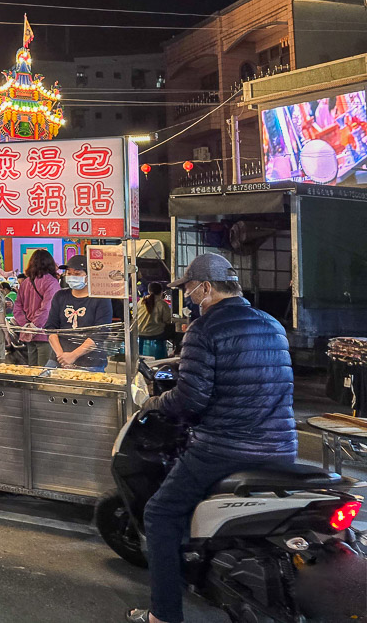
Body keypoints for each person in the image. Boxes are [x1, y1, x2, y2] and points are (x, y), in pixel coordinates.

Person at [127, 254, 297, 623]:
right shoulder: (272, 324)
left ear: (206, 286)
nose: (187, 297)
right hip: (283, 448)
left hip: (226, 449)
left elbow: (191, 398)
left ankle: (164, 614)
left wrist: (156, 402)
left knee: (160, 513)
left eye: (188, 289)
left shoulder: (204, 329)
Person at [44, 255, 114, 372]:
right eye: (69, 273)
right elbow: (51, 327)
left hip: (90, 363)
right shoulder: (60, 296)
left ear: (88, 276)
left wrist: (73, 355)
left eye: (77, 274)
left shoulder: (101, 299)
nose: (71, 277)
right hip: (58, 359)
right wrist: (62, 357)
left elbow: (100, 333)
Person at [11, 248, 61, 367]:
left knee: (32, 370)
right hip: (45, 333)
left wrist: (26, 325)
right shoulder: (51, 283)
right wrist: (35, 325)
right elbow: (48, 308)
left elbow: (17, 307)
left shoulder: (25, 283)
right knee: (44, 371)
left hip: (28, 334)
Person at [136, 282, 171, 359]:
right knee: (173, 330)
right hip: (156, 333)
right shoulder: (162, 304)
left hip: (139, 332)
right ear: (161, 292)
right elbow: (167, 320)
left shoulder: (141, 302)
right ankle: (168, 354)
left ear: (149, 291)